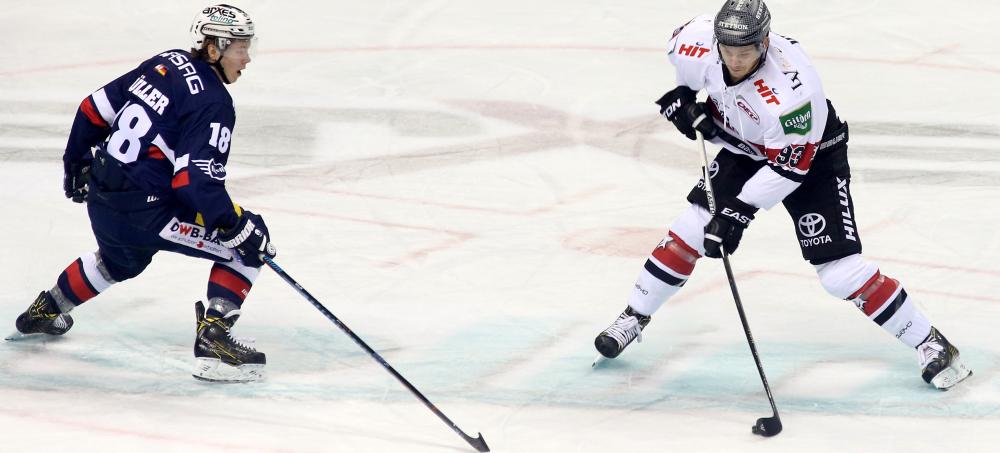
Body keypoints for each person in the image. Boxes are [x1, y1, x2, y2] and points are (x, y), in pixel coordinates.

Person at [594, 0, 971, 390]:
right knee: (691, 228)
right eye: (729, 51)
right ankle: (633, 317)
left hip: (811, 159)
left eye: (746, 52)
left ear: (765, 42)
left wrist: (737, 213)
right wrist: (686, 103)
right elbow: (688, 78)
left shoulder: (792, 95)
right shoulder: (697, 40)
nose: (735, 61)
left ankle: (932, 343)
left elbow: (788, 169)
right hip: (746, 145)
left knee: (838, 272)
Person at [10, 4, 275, 383]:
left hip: (103, 195)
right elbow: (194, 183)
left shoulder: (166, 62)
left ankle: (46, 309)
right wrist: (235, 227)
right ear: (214, 48)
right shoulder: (214, 103)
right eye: (239, 47)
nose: (247, 58)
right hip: (148, 211)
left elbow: (93, 108)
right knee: (251, 244)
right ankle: (214, 341)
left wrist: (75, 162)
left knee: (118, 263)